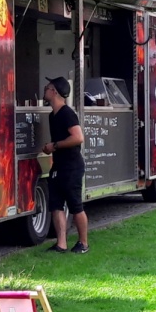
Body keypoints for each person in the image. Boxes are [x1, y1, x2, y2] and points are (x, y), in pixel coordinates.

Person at [42, 76, 90, 254]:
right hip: (58, 166)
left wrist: (54, 146)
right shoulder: (52, 115)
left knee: (75, 205)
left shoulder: (67, 113)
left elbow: (78, 137)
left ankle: (83, 243)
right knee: (55, 205)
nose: (45, 89)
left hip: (72, 167)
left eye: (47, 87)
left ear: (54, 91)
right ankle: (61, 244)